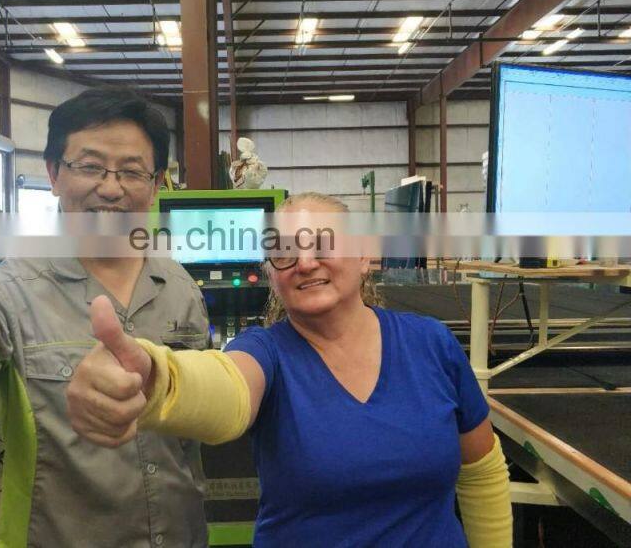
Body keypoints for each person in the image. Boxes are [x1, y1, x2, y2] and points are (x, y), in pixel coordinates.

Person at [0, 86, 211, 547]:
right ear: (53, 174)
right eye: (90, 166)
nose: (111, 188)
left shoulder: (181, 287)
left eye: (132, 171)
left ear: (154, 186)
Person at [70, 192, 513, 547]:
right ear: (272, 274)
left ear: (364, 257)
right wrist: (155, 378)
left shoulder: (431, 344)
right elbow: (229, 387)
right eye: (284, 253)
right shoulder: (267, 352)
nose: (304, 262)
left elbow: (481, 471)